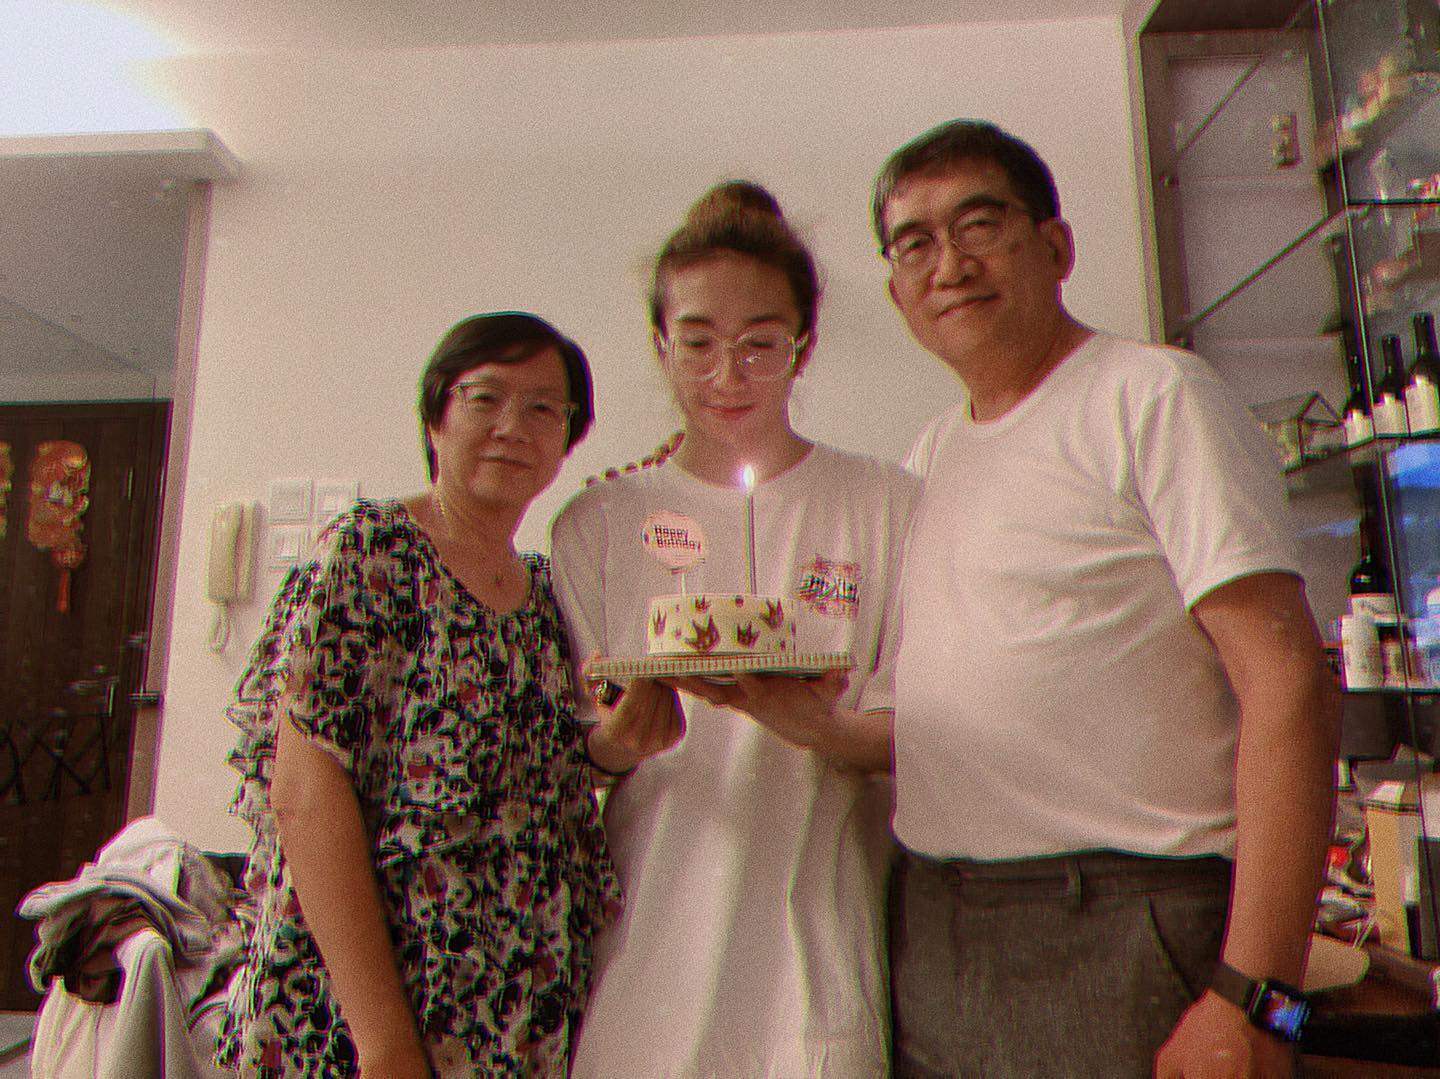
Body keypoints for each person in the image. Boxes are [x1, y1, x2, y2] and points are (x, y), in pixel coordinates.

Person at [874, 120, 1340, 1078]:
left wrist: (1258, 996)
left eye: (978, 224)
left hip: (1125, 921)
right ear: (894, 292)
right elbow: (956, 717)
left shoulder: (1152, 395)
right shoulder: (927, 456)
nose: (948, 263)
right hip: (937, 927)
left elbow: (1288, 680)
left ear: (1056, 246)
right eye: (914, 242)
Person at [549, 181, 919, 1077]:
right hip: (647, 952)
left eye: (760, 345)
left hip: (816, 953)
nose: (728, 376)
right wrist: (615, 741)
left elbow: (929, 734)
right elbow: (565, 757)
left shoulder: (884, 504)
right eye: (700, 344)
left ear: (804, 346)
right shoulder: (597, 524)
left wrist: (819, 724)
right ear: (658, 345)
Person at [217, 312, 620, 1078]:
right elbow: (304, 794)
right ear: (436, 416)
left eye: (544, 408)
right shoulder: (372, 553)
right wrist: (386, 1040)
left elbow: (532, 785)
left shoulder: (543, 594)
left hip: (507, 1008)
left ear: (567, 440)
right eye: (485, 398)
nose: (513, 426)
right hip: (361, 1012)